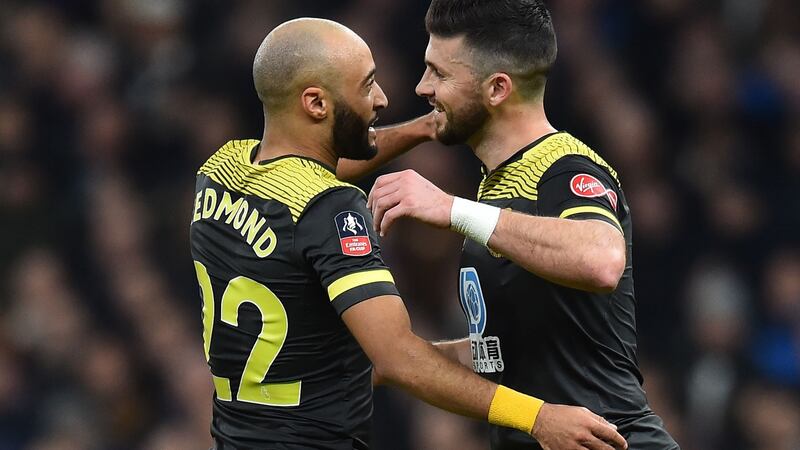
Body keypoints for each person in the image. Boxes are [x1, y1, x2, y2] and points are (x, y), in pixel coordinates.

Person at [189, 17, 627, 450]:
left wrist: (421, 129)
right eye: (366, 85)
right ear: (316, 104)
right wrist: (536, 416)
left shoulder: (222, 170)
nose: (382, 98)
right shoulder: (332, 210)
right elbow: (397, 358)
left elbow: (309, 171)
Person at [367, 1, 680, 450]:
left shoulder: (563, 167)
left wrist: (450, 208)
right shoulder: (496, 186)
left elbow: (602, 258)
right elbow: (500, 353)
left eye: (439, 73)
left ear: (497, 89)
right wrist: (394, 360)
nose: (421, 87)